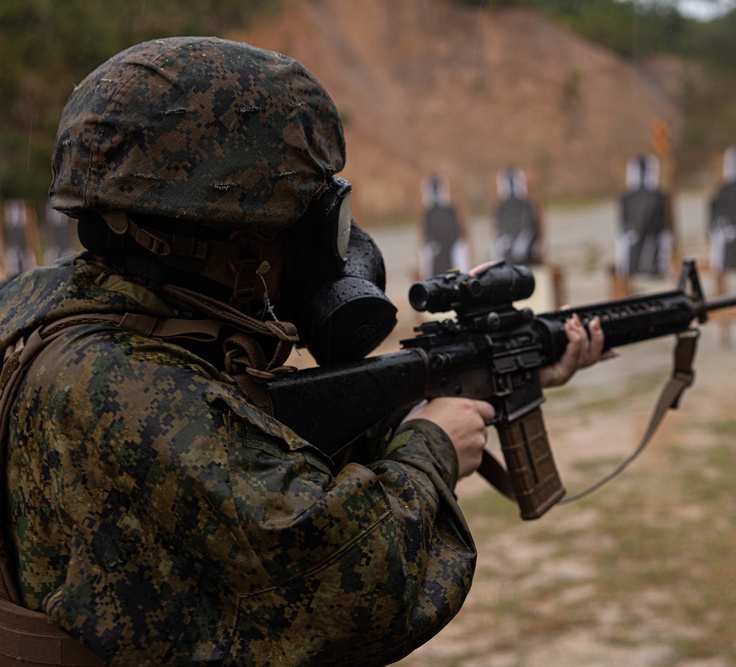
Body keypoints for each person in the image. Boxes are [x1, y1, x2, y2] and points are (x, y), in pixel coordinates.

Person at [0, 36, 604, 666]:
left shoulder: (48, 306)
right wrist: (431, 448)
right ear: (237, 239)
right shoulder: (124, 385)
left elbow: (246, 448)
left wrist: (462, 383)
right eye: (308, 219)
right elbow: (352, 585)